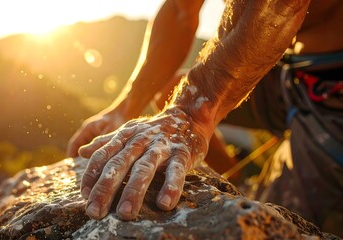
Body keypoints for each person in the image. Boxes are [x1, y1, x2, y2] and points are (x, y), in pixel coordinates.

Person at [67, 0, 343, 234]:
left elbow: (279, 5)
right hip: (292, 74)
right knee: (169, 92)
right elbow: (179, 10)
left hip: (334, 87)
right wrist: (125, 108)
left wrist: (191, 113)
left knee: (275, 224)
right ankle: (234, 184)